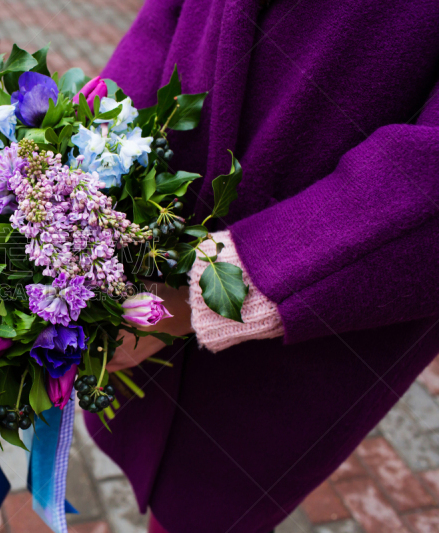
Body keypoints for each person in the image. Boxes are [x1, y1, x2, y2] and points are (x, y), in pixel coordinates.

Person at [83, 0, 439, 532]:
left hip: (315, 300)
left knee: (209, 499)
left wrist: (200, 292)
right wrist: (84, 158)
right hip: (148, 229)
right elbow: (167, 16)